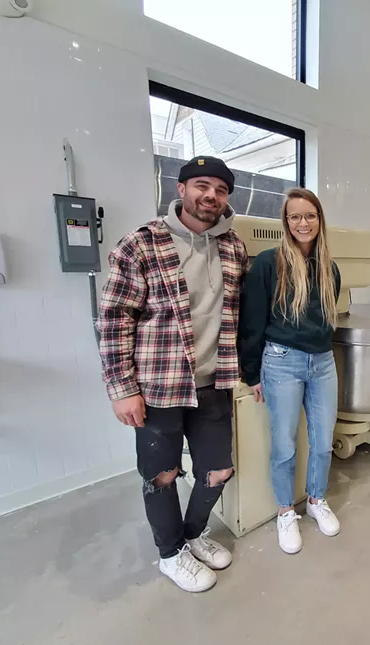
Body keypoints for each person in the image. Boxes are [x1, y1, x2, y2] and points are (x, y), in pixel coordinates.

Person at [97, 156, 249, 593]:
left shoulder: (234, 248)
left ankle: (193, 532)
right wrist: (122, 389)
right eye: (202, 185)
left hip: (214, 384)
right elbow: (114, 319)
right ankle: (170, 553)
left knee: (218, 470)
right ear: (180, 189)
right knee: (161, 475)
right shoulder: (141, 244)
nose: (211, 196)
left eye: (220, 190)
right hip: (159, 386)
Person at [239, 187, 342, 554]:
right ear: (286, 221)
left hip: (323, 362)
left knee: (323, 439)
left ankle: (315, 500)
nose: (303, 222)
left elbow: (326, 318)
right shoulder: (269, 263)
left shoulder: (329, 267)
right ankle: (286, 511)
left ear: (319, 221)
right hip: (281, 361)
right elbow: (251, 321)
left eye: (309, 216)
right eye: (295, 216)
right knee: (284, 445)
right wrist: (251, 373)